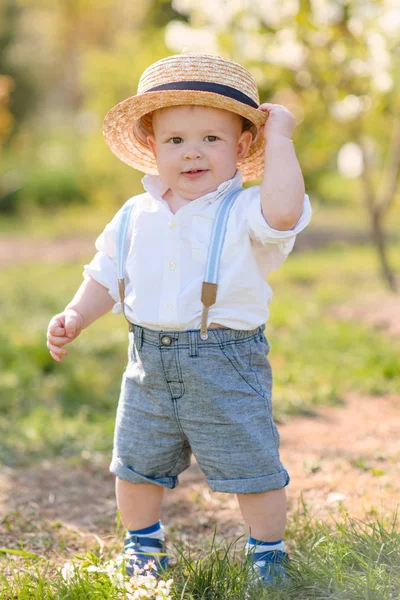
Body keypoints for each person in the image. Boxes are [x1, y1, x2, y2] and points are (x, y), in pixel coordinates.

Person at [46, 53, 312, 586]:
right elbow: (106, 274)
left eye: (211, 139)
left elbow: (285, 213)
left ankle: (268, 554)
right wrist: (77, 312)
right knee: (136, 465)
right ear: (151, 147)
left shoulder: (245, 212)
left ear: (241, 147)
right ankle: (142, 545)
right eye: (175, 141)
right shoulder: (133, 215)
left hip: (224, 361)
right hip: (146, 362)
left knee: (251, 465)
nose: (192, 152)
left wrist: (279, 137)